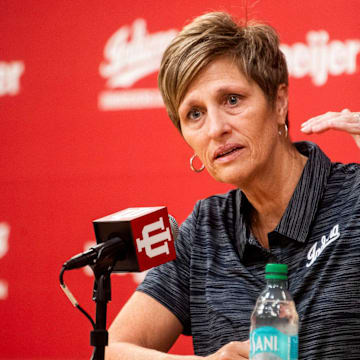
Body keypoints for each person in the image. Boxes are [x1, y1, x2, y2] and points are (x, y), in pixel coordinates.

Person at [105, 11, 360, 360]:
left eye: (232, 100)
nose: (215, 128)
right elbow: (111, 351)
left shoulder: (355, 196)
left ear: (279, 101)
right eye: (195, 114)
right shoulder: (205, 230)